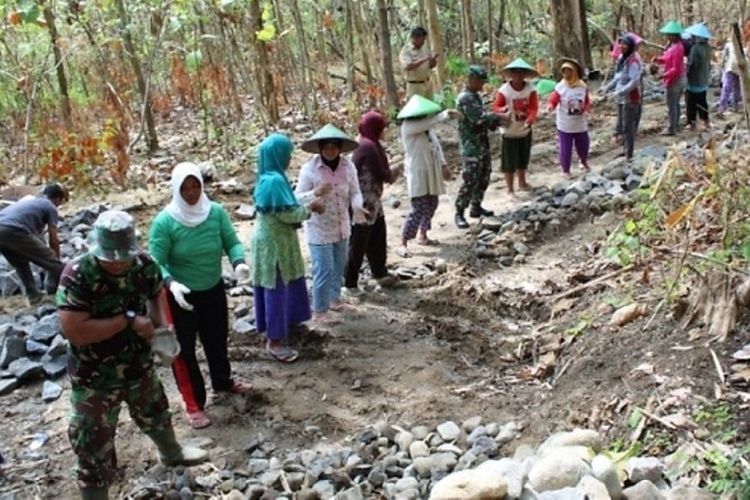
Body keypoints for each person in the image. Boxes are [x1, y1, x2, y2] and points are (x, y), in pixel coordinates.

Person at [57, 210, 208, 500]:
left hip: (137, 362)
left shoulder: (144, 264)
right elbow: (74, 329)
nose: (119, 263)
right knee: (92, 439)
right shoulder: (78, 274)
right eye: (111, 259)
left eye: (124, 256)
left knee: (155, 410)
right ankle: (95, 494)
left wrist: (162, 330)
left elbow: (154, 292)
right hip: (94, 377)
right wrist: (128, 321)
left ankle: (172, 455)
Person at [149, 162, 252, 430]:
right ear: (176, 189)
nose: (192, 192)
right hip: (180, 295)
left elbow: (231, 240)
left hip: (212, 288)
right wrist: (170, 283)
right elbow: (155, 262)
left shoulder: (215, 212)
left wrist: (238, 260)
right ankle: (193, 402)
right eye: (185, 187)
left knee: (217, 338)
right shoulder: (165, 222)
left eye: (196, 185)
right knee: (184, 350)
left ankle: (222, 380)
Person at [251, 134, 325, 363]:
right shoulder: (273, 182)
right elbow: (286, 212)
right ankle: (275, 341)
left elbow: (289, 200)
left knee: (281, 285)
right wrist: (311, 208)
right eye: (287, 154)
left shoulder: (269, 178)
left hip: (275, 241)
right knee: (277, 287)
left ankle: (284, 326)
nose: (288, 158)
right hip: (275, 245)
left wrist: (312, 195)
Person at [296, 125, 367, 325]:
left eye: (334, 146)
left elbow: (355, 191)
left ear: (340, 148)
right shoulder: (309, 169)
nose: (330, 150)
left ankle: (335, 300)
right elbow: (296, 199)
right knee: (323, 269)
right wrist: (315, 193)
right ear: (319, 148)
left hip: (342, 225)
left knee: (338, 266)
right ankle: (319, 309)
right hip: (318, 228)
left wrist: (358, 207)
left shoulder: (348, 166)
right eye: (325, 147)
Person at [344, 111, 402, 295]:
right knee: (359, 241)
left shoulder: (370, 144)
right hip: (363, 201)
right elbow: (384, 175)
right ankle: (350, 282)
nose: (385, 130)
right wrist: (399, 167)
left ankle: (379, 271)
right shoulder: (368, 146)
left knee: (378, 234)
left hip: (372, 198)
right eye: (383, 127)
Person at [396, 95, 458, 257]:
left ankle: (423, 234)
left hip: (431, 169)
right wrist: (444, 115)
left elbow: (437, 147)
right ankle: (403, 241)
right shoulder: (408, 127)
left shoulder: (428, 130)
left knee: (432, 202)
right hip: (418, 170)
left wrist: (444, 166)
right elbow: (431, 121)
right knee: (419, 206)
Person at [454, 65, 507, 229]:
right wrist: (498, 116)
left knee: (484, 174)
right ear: (472, 79)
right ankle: (459, 212)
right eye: (481, 81)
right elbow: (478, 119)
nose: (482, 85)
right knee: (470, 179)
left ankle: (476, 206)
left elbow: (484, 119)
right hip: (471, 146)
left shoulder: (476, 96)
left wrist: (496, 119)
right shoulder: (465, 98)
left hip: (482, 143)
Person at [0, 183, 67, 301]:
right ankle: (60, 292)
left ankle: (33, 295)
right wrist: (54, 259)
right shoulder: (50, 206)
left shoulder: (29, 202)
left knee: (20, 263)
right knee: (53, 261)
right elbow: (53, 239)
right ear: (58, 199)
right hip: (14, 229)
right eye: (63, 201)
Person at [492, 58, 539, 196]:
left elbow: (533, 107)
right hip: (508, 130)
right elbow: (495, 107)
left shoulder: (531, 89)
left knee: (523, 158)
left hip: (524, 129)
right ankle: (510, 188)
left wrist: (530, 120)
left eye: (521, 73)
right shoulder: (504, 91)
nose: (518, 76)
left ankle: (522, 183)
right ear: (511, 75)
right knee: (509, 161)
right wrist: (502, 110)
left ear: (525, 75)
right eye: (515, 73)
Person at [547, 58, 592, 177]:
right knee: (565, 148)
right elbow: (554, 99)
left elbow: (586, 101)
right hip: (565, 123)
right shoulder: (560, 87)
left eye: (569, 71)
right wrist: (551, 106)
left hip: (580, 122)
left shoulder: (583, 86)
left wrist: (586, 110)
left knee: (584, 144)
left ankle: (583, 161)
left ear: (575, 72)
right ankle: (565, 170)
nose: (566, 74)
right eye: (564, 71)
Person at [602, 34, 643, 161]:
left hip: (630, 99)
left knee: (628, 127)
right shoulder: (622, 59)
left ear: (630, 46)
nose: (622, 46)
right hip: (620, 98)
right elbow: (618, 78)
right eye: (621, 44)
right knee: (622, 125)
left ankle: (629, 154)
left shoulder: (633, 61)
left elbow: (634, 81)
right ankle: (625, 151)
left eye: (625, 44)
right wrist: (607, 87)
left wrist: (621, 91)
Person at [654, 21, 686, 136]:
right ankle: (675, 125)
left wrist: (663, 75)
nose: (667, 36)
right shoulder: (672, 46)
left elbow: (675, 69)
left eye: (669, 34)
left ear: (674, 35)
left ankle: (672, 128)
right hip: (676, 79)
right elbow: (668, 58)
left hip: (675, 80)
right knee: (675, 104)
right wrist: (659, 59)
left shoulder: (677, 48)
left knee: (672, 105)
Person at [684, 23, 713, 130]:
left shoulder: (695, 48)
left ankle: (692, 122)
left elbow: (691, 63)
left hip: (694, 79)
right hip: (704, 78)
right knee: (702, 101)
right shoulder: (708, 47)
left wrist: (686, 69)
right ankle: (705, 120)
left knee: (691, 102)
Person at [399, 26, 438, 99]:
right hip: (415, 86)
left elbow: (430, 65)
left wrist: (433, 61)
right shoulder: (406, 51)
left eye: (424, 39)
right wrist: (423, 59)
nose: (423, 42)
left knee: (429, 107)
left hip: (427, 83)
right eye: (422, 39)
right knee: (417, 109)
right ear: (414, 38)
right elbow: (408, 66)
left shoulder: (424, 48)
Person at [718, 37, 741, 114]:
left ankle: (722, 107)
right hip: (739, 68)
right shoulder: (742, 45)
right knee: (737, 88)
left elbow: (724, 57)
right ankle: (736, 106)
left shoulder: (729, 45)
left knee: (726, 87)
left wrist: (722, 65)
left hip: (730, 68)